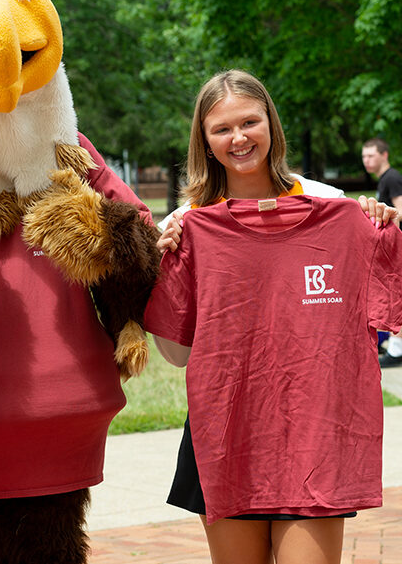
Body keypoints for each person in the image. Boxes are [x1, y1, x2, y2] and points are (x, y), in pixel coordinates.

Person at [145, 70, 402, 564]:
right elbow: (176, 355)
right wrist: (167, 268)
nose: (238, 138)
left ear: (271, 125)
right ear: (204, 139)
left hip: (315, 431)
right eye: (222, 129)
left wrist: (379, 228)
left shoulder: (334, 207)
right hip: (226, 431)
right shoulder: (186, 225)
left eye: (250, 122)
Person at [361, 137, 402, 366]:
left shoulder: (392, 178)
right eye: (364, 156)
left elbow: (401, 211)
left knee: (396, 298)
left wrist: (383, 217)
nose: (366, 160)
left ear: (384, 155)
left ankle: (396, 351)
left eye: (371, 155)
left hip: (397, 246)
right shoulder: (385, 179)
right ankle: (392, 346)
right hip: (389, 248)